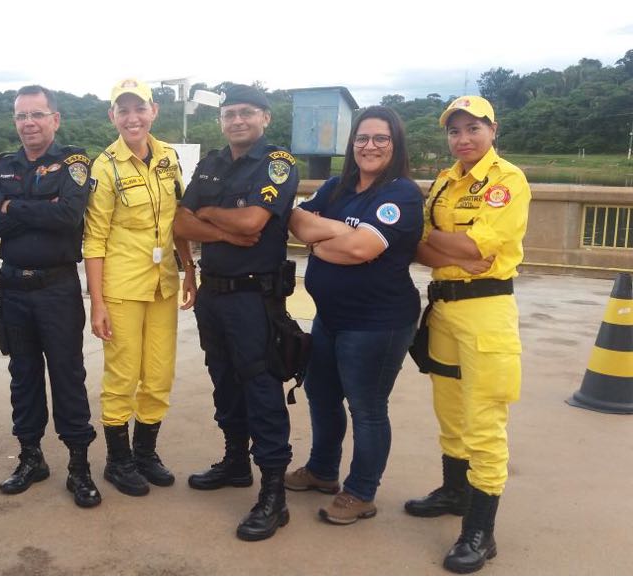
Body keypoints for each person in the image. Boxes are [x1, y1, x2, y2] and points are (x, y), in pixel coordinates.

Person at [407, 95, 529, 574]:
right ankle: (454, 491)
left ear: (493, 129)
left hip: (486, 312)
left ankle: (481, 530)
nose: (463, 138)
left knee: (484, 419)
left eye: (473, 128)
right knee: (450, 409)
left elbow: (479, 245)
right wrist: (448, 246)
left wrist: (441, 240)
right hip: (443, 309)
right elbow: (420, 246)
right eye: (455, 131)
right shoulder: (444, 181)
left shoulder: (506, 181)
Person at [286, 106, 423, 525]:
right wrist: (342, 235)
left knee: (366, 408)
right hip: (330, 318)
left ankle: (361, 491)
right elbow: (295, 219)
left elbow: (363, 249)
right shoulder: (337, 186)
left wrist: (323, 239)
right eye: (362, 138)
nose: (370, 146)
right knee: (322, 396)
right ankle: (323, 471)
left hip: (378, 324)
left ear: (395, 145)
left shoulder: (401, 193)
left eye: (381, 138)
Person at [174, 84, 298, 541]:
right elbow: (179, 223)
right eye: (229, 114)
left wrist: (208, 216)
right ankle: (234, 462)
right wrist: (222, 223)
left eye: (247, 112)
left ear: (265, 117)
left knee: (261, 387)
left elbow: (254, 224)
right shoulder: (211, 163)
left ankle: (273, 497)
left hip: (253, 298)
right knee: (223, 379)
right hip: (213, 294)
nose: (238, 121)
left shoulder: (277, 164)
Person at [0, 85, 101, 508]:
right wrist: (33, 206)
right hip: (13, 287)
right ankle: (31, 458)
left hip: (57, 288)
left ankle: (79, 466)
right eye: (21, 116)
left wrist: (14, 207)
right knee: (23, 376)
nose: (28, 123)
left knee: (67, 375)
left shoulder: (74, 161)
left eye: (36, 114)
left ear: (55, 119)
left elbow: (68, 215)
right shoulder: (5, 164)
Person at [84, 79, 196, 497]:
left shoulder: (168, 157)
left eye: (139, 108)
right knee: (123, 373)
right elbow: (94, 238)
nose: (132, 118)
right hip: (122, 286)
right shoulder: (105, 166)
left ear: (153, 111)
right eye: (123, 110)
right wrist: (97, 303)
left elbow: (179, 218)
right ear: (112, 116)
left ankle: (146, 453)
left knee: (159, 373)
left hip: (163, 283)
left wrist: (189, 270)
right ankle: (118, 459)